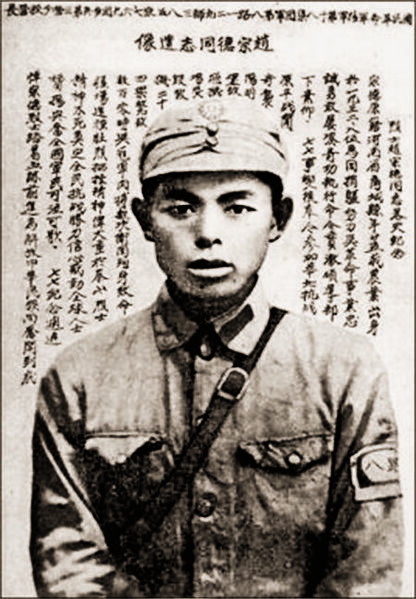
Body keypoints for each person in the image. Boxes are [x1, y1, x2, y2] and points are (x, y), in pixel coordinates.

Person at [30, 99, 403, 598]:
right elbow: (69, 564)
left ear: (279, 218)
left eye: (237, 207)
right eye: (180, 209)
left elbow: (367, 571)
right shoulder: (79, 376)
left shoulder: (343, 370)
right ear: (144, 219)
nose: (207, 233)